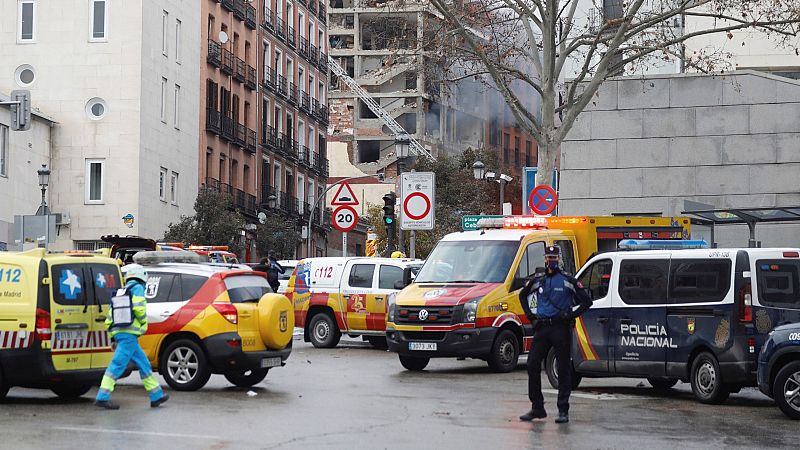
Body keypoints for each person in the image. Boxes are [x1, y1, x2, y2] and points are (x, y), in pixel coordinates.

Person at [518, 245, 591, 424]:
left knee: (564, 369)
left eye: (554, 257)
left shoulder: (568, 280)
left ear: (559, 259)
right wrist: (531, 317)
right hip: (542, 328)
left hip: (561, 328)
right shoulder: (539, 279)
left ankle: (563, 410)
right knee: (532, 364)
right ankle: (537, 407)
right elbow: (522, 295)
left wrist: (570, 315)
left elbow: (586, 301)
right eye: (549, 257)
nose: (552, 260)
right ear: (545, 259)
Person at [95, 264, 169, 410]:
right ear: (142, 278)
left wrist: (112, 337)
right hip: (129, 334)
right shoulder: (138, 288)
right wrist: (142, 321)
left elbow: (110, 317)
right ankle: (102, 396)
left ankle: (156, 396)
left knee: (144, 363)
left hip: (121, 333)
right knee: (117, 365)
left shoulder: (121, 291)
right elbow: (139, 307)